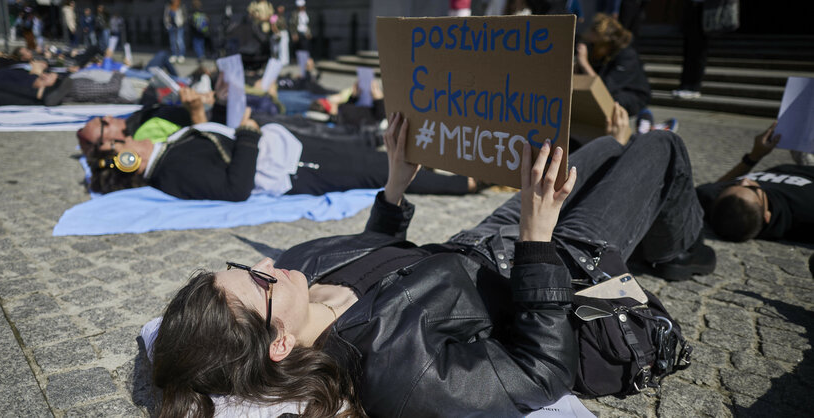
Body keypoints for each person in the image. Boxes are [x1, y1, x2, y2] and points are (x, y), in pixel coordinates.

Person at [148, 104, 715, 415]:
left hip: (481, 239)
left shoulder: (301, 266)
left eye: (246, 265)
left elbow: (375, 256)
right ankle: (679, 247)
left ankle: (663, 222)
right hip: (556, 264)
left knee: (600, 149)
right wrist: (538, 235)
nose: (266, 265)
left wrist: (394, 188)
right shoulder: (400, 376)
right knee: (656, 145)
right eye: (258, 282)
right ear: (278, 344)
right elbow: (541, 372)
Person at [78, 91, 476, 201]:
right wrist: (248, 135)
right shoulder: (172, 171)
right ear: (130, 160)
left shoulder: (165, 154)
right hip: (294, 169)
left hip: (289, 151)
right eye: (124, 145)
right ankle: (468, 184)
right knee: (380, 171)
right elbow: (235, 190)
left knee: (374, 158)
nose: (128, 136)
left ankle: (459, 170)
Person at [696, 123, 814, 243]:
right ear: (766, 216)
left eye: (734, 184)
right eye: (751, 188)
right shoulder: (805, 210)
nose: (745, 180)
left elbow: (712, 189)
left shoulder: (711, 198)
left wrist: (754, 156)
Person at [672, 0, 707, 99]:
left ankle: (693, 86)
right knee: (689, 49)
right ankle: (685, 84)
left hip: (704, 8)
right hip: (692, 6)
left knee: (698, 49)